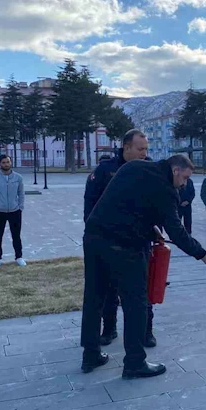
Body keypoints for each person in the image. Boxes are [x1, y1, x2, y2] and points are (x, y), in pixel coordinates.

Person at [81, 155, 206, 379]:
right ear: (176, 170)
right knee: (136, 302)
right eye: (185, 178)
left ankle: (90, 355)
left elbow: (127, 204)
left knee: (94, 298)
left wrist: (150, 228)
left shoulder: (134, 167)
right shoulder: (166, 189)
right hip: (125, 247)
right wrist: (203, 254)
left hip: (94, 237)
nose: (185, 184)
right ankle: (135, 363)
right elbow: (177, 232)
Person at [83, 129, 149, 346]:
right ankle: (109, 329)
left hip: (139, 240)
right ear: (126, 147)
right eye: (140, 149)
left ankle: (146, 332)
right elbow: (90, 203)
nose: (144, 153)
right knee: (109, 290)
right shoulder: (105, 170)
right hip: (109, 242)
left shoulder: (149, 169)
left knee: (142, 290)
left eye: (146, 149)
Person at [0, 154, 26, 268]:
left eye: (8, 162)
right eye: (4, 162)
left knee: (16, 235)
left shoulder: (18, 178)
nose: (6, 164)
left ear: (11, 163)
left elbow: (21, 193)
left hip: (15, 211)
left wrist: (20, 207)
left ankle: (19, 257)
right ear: (0, 164)